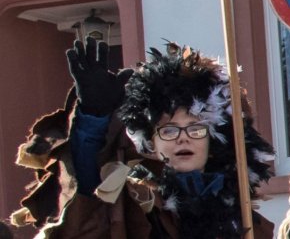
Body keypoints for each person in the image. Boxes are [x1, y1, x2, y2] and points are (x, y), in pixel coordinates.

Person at [11, 38, 276, 238]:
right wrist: (94, 117)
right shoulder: (135, 202)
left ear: (214, 139)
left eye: (196, 129)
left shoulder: (241, 215)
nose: (183, 139)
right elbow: (88, 212)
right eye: (169, 130)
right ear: (150, 142)